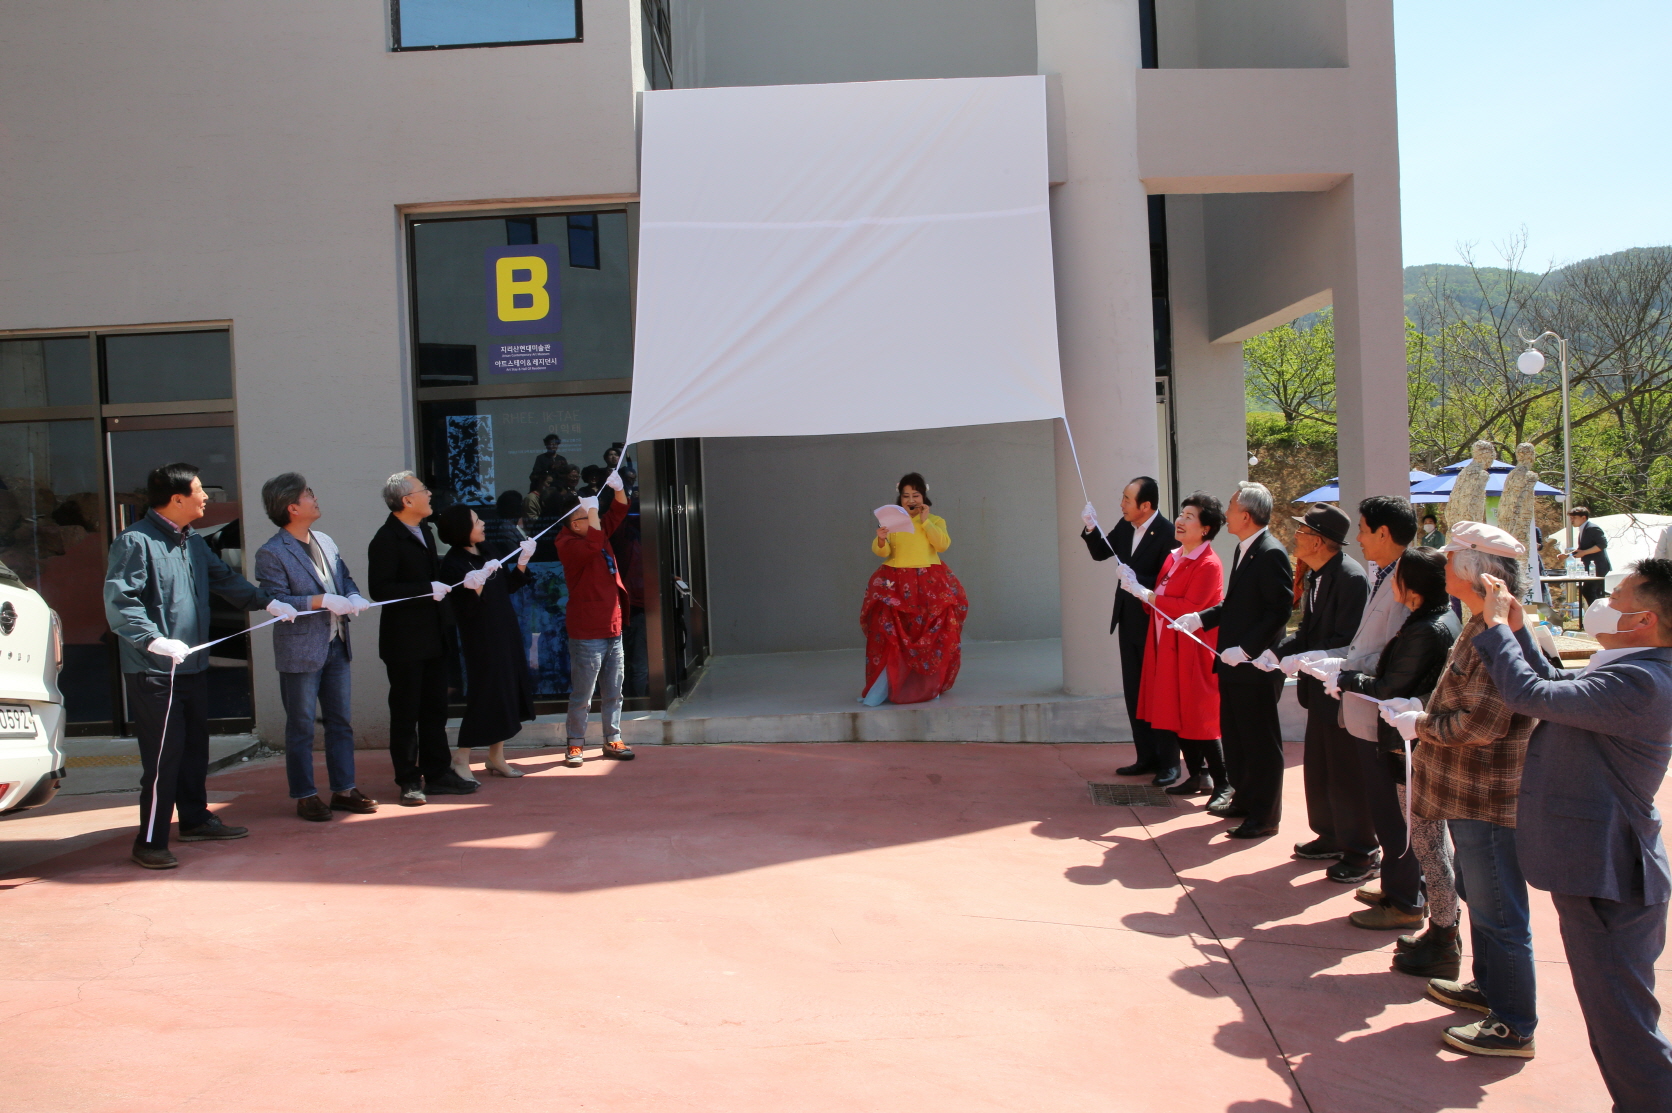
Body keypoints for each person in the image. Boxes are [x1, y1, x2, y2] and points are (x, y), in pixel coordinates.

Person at [1473, 560, 1672, 1107]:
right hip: (1601, 866)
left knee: (1625, 1027)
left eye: (1617, 597)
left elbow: (1533, 696)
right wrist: (1514, 628)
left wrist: (1492, 630)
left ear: (1644, 621)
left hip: (1609, 873)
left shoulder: (1642, 682)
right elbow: (1558, 683)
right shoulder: (1634, 671)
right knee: (1617, 1021)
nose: (1603, 603)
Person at [1381, 522, 1539, 1058]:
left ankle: (1514, 1023)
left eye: (1451, 561)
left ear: (1475, 574)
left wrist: (1420, 724)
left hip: (1485, 793)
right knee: (1480, 897)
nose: (1442, 568)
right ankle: (1490, 989)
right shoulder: (1480, 623)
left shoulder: (1505, 631)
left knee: (1500, 911)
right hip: (1464, 790)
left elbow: (1484, 721)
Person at [104, 463, 297, 869]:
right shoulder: (135, 542)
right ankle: (151, 840)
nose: (206, 497)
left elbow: (225, 579)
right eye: (198, 490)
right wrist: (152, 639)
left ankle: (194, 819)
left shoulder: (191, 541)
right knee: (163, 757)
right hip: (154, 669)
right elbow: (122, 602)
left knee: (194, 749)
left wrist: (267, 601)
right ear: (177, 499)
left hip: (191, 665)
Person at [1335, 548, 1462, 950]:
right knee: (1416, 836)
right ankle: (1409, 896)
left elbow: (1390, 687)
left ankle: (1428, 919)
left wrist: (1347, 678)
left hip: (1410, 747)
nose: (1391, 584)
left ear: (1413, 588)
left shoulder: (1428, 628)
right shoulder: (1428, 620)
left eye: (1398, 578)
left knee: (1420, 839)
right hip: (1406, 740)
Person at [253, 473, 377, 822]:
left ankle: (344, 789)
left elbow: (345, 577)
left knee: (341, 721)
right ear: (292, 507)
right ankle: (305, 794)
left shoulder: (325, 540)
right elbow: (277, 599)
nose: (315, 498)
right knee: (302, 725)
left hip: (337, 643)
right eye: (308, 494)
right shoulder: (271, 552)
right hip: (301, 650)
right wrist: (322, 600)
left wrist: (351, 595)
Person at [1173, 481, 1293, 837]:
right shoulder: (1246, 548)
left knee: (1260, 742)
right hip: (1232, 665)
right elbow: (1235, 605)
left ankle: (1265, 816)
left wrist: (1247, 649)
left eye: (1230, 506)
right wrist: (1201, 618)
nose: (1225, 513)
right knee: (1238, 738)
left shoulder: (1271, 552)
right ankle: (1244, 799)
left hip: (1254, 667)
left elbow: (1279, 610)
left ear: (1246, 514)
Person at [1265, 504, 1371, 880]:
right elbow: (1308, 631)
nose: (1296, 537)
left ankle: (1362, 849)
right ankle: (1330, 834)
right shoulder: (1317, 575)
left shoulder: (1351, 578)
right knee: (1321, 769)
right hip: (1316, 690)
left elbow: (1347, 641)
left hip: (1338, 689)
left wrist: (1306, 656)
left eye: (1303, 532)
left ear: (1321, 540)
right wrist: (1277, 652)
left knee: (1345, 772)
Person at [367, 471, 478, 806]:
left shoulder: (425, 531)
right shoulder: (386, 539)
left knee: (435, 709)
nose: (429, 495)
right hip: (404, 641)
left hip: (433, 635)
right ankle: (408, 780)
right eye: (423, 490)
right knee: (406, 712)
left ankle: (438, 772)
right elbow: (381, 590)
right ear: (407, 501)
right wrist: (425, 590)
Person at [1081, 476, 1180, 784]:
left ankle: (1169, 762)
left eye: (1127, 499)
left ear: (1146, 505)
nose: (1121, 504)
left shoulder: (1167, 533)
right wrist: (1090, 527)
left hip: (1154, 621)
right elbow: (1100, 551)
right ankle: (1145, 756)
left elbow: (1170, 580)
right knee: (1135, 689)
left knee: (1158, 690)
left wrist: (1139, 583)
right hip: (1128, 619)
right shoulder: (1126, 526)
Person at [1126, 493, 1224, 797]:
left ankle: (1222, 781)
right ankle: (1198, 774)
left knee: (1199, 714)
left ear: (1205, 528)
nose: (1180, 521)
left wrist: (1146, 595)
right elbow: (1160, 599)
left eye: (1189, 517)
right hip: (1166, 647)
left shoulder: (1208, 563)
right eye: (1181, 515)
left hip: (1191, 651)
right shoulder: (1175, 556)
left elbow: (1190, 605)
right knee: (1175, 710)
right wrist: (1146, 595)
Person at [437, 505, 539, 781]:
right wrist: (476, 584)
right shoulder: (453, 563)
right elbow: (464, 609)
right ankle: (463, 755)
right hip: (481, 637)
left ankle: (497, 755)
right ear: (462, 529)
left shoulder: (488, 550)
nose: (482, 523)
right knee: (485, 692)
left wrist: (522, 561)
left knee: (507, 689)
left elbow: (507, 586)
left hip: (505, 629)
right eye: (476, 520)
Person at [860, 473, 968, 706]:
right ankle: (888, 687)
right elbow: (883, 552)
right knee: (893, 634)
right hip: (896, 580)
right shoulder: (891, 521)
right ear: (900, 498)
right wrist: (880, 539)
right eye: (906, 495)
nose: (911, 499)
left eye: (915, 495)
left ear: (923, 497)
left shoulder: (936, 520)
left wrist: (926, 521)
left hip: (928, 581)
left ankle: (928, 686)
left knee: (931, 633)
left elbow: (942, 545)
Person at [554, 473, 637, 768]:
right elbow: (592, 543)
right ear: (573, 524)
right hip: (587, 630)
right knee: (583, 694)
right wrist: (592, 513)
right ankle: (575, 743)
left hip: (612, 626)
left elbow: (618, 512)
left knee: (614, 692)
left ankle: (612, 738)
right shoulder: (568, 542)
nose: (594, 518)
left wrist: (619, 490)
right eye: (586, 515)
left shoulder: (595, 535)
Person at [1568, 506, 1612, 604]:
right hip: (1591, 567)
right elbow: (1582, 549)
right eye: (1571, 518)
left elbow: (1602, 544)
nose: (1572, 520)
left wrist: (1583, 553)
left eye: (1574, 518)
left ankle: (1596, 614)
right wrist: (1567, 555)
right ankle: (1599, 615)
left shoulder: (1592, 528)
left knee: (1588, 591)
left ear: (1583, 517)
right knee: (1595, 593)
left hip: (1598, 566)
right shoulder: (1583, 529)